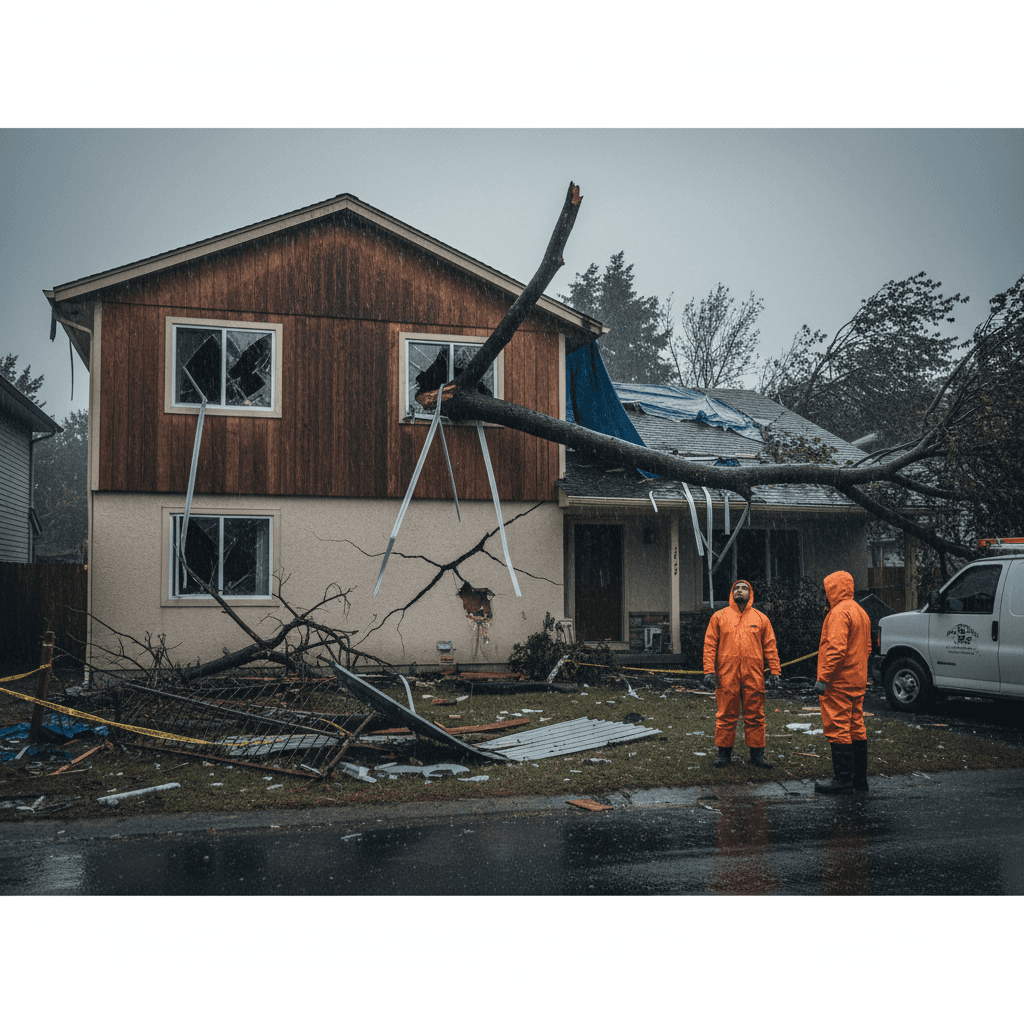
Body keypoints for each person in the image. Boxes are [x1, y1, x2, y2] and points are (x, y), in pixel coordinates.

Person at [703, 579, 782, 768]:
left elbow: (770, 646)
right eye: (736, 588)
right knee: (725, 715)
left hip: (754, 675)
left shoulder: (761, 619)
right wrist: (709, 671)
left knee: (755, 715)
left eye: (744, 588)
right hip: (726, 675)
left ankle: (757, 756)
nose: (740, 590)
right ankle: (724, 755)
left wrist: (775, 670)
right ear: (731, 593)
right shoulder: (719, 617)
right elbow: (710, 645)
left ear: (750, 593)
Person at [813, 570, 872, 794]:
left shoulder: (838, 613)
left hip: (839, 681)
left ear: (832, 589)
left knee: (838, 728)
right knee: (856, 727)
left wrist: (823, 679)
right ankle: (860, 780)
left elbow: (836, 650)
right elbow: (867, 647)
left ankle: (843, 780)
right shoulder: (860, 611)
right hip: (857, 679)